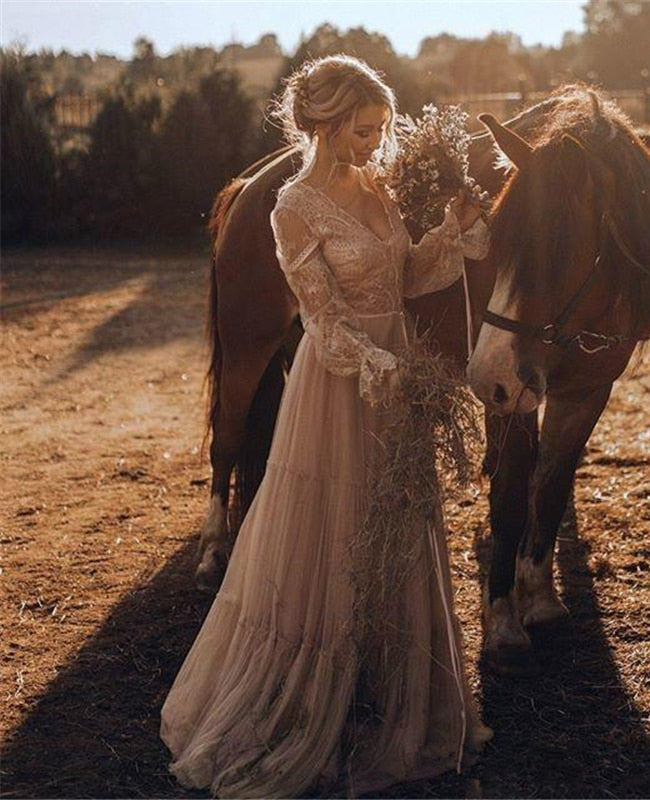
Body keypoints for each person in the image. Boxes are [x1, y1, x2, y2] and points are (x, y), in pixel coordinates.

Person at [160, 54, 492, 798]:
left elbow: (408, 277)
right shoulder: (293, 206)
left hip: (397, 369)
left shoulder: (377, 186)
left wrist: (453, 231)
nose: (375, 143)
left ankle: (389, 686)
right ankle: (316, 701)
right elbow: (322, 318)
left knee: (398, 521)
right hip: (341, 380)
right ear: (325, 124)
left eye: (380, 129)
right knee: (335, 526)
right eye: (363, 130)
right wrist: (377, 365)